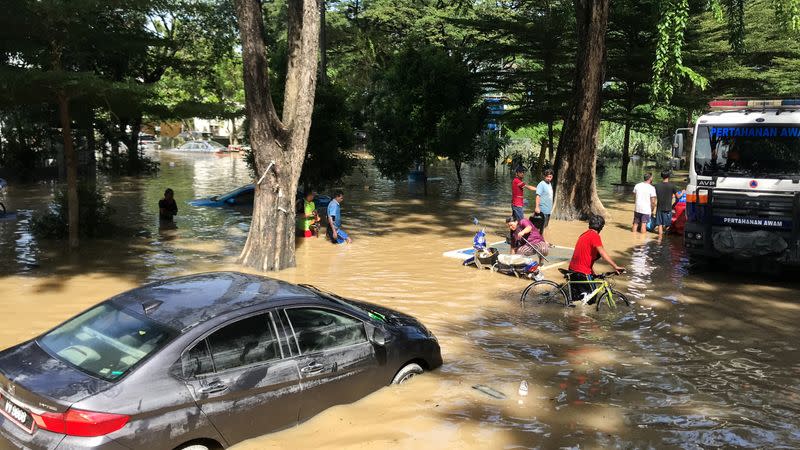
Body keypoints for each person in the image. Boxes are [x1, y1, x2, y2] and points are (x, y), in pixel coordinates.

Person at [567, 215, 624, 303]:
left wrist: (593, 273)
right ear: (601, 227)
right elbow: (602, 252)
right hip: (582, 272)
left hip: (572, 270)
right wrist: (615, 266)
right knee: (592, 299)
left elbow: (586, 257)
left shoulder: (583, 235)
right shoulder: (594, 236)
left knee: (576, 301)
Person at [654, 170, 680, 236]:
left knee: (659, 224)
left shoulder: (656, 186)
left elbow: (653, 196)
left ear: (661, 176)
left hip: (659, 208)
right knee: (668, 225)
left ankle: (660, 239)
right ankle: (666, 240)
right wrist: (682, 192)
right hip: (668, 208)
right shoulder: (672, 186)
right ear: (668, 176)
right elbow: (678, 196)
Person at [534, 168, 554, 237]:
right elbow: (537, 196)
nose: (549, 178)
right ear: (544, 176)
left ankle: (543, 240)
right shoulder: (541, 184)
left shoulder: (550, 184)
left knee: (545, 226)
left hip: (548, 210)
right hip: (542, 210)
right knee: (540, 228)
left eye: (550, 177)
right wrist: (537, 207)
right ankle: (539, 241)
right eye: (547, 176)